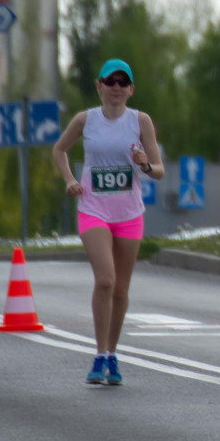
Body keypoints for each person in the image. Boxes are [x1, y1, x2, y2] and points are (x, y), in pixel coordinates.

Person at [52, 59, 164, 384]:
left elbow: (159, 170)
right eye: (109, 82)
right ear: (99, 86)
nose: (116, 88)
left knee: (121, 289)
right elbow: (60, 149)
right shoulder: (85, 119)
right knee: (105, 280)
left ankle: (112, 354)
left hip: (129, 214)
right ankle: (99, 355)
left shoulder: (140, 121)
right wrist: (70, 180)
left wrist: (144, 166)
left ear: (131, 89)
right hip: (93, 210)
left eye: (122, 82)